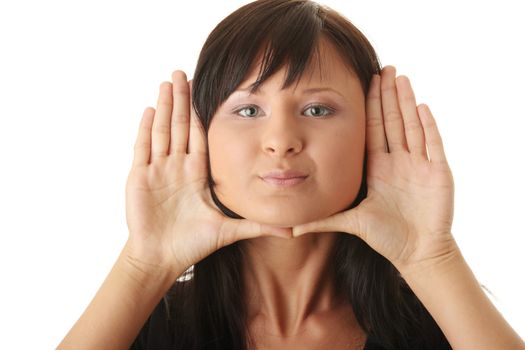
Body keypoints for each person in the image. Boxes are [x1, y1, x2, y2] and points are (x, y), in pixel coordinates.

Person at [57, 0, 525, 349]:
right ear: (203, 135)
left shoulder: (439, 324)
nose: (281, 140)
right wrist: (144, 264)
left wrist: (431, 259)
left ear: (371, 130)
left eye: (317, 108)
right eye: (248, 109)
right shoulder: (143, 321)